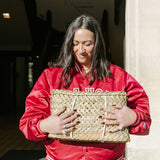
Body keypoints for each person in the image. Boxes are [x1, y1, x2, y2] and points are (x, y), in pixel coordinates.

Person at [19, 14, 151, 160]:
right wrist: (44, 126)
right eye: (76, 43)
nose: (81, 50)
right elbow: (27, 124)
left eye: (87, 44)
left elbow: (145, 119)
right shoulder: (51, 77)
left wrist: (134, 117)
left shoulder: (118, 77)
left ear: (98, 44)